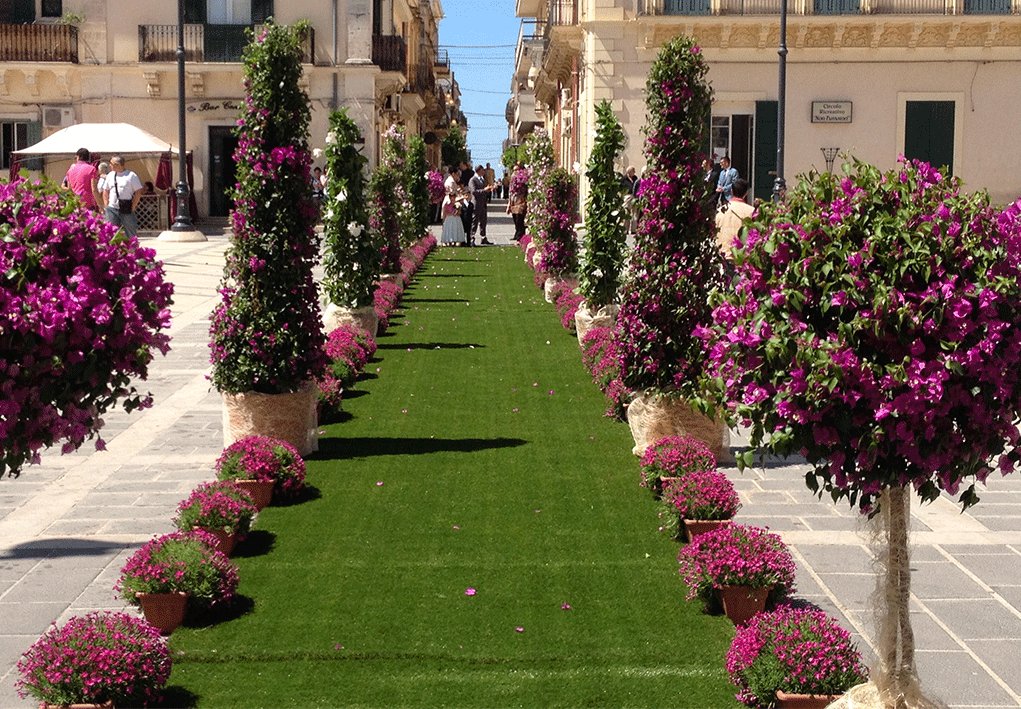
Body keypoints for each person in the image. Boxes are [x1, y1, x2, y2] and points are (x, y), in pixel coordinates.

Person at [715, 178, 755, 263]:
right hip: (741, 256)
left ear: (732, 191)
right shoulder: (751, 211)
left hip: (722, 255)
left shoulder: (720, 211)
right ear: (746, 193)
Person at [102, 156, 144, 238]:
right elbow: (105, 190)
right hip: (112, 208)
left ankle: (132, 248)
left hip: (126, 207)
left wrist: (134, 205)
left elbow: (138, 191)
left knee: (130, 231)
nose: (109, 165)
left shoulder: (131, 176)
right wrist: (106, 204)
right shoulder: (110, 175)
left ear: (117, 164)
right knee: (110, 231)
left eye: (111, 164)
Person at [440, 166, 466, 246]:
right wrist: (461, 197)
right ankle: (449, 239)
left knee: (448, 222)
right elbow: (452, 194)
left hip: (449, 200)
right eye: (457, 174)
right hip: (450, 202)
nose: (458, 176)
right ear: (453, 174)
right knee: (450, 222)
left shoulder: (449, 180)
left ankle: (449, 239)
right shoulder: (451, 181)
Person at [470, 164, 495, 245]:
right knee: (475, 222)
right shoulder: (473, 180)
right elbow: (474, 192)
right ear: (479, 170)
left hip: (483, 203)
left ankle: (483, 237)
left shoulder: (482, 180)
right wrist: (484, 190)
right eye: (482, 170)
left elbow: (484, 190)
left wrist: (490, 189)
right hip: (476, 203)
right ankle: (472, 238)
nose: (484, 172)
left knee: (483, 222)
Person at [506, 163, 527, 242]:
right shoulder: (512, 181)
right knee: (515, 219)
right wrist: (509, 205)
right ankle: (517, 235)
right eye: (514, 170)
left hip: (520, 201)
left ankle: (519, 237)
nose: (515, 172)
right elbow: (510, 193)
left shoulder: (523, 180)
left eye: (517, 170)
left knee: (519, 220)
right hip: (513, 202)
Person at [458, 161, 475, 243]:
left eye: (462, 165)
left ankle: (469, 241)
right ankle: (463, 241)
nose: (460, 167)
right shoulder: (462, 173)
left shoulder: (470, 173)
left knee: (468, 230)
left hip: (467, 189)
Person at [622, 166, 639, 234]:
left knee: (635, 213)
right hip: (627, 196)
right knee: (626, 212)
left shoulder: (635, 178)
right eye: (633, 171)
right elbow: (620, 187)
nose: (634, 172)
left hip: (635, 196)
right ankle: (625, 229)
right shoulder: (624, 179)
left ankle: (633, 229)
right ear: (629, 172)